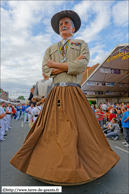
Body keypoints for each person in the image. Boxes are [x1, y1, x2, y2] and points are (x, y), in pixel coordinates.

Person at [10, 10, 120, 185]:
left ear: (73, 27)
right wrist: (66, 66)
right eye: (61, 24)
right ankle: (44, 166)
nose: (63, 26)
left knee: (82, 128)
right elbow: (47, 70)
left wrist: (56, 65)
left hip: (74, 91)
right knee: (49, 129)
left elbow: (81, 66)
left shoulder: (81, 43)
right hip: (55, 92)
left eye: (66, 23)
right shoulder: (50, 49)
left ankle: (89, 164)